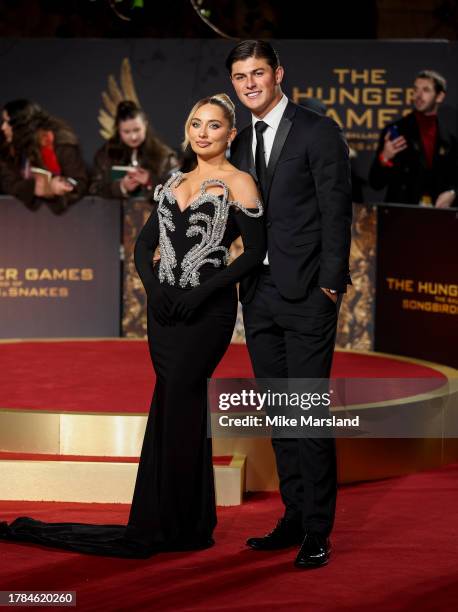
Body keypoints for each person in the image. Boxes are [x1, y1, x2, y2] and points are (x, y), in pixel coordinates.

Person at [0, 93, 265, 557]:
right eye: (196, 124)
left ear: (231, 134)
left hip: (208, 313)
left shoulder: (240, 182)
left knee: (181, 396)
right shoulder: (173, 180)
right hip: (163, 313)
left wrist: (200, 293)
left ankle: (177, 521)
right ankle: (181, 518)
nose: (203, 133)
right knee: (171, 405)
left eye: (214, 126)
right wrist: (156, 291)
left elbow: (254, 254)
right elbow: (146, 247)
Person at [227, 40, 352, 569]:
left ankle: (319, 530)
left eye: (258, 73)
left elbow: (336, 210)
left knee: (307, 412)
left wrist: (331, 284)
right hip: (258, 297)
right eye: (239, 76)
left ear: (278, 74)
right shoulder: (236, 142)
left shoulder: (318, 130)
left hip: (308, 295)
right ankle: (295, 515)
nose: (250, 83)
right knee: (280, 416)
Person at [369, 70, 457, 208]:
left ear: (439, 96)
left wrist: (453, 192)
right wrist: (384, 157)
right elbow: (375, 182)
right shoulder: (395, 131)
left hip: (437, 218)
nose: (418, 95)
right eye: (415, 89)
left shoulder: (450, 138)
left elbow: (454, 179)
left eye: (426, 90)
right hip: (400, 217)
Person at [0, 99, 87, 214]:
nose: (3, 127)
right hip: (18, 218)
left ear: (21, 125)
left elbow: (79, 182)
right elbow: (7, 181)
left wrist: (63, 186)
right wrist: (34, 187)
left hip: (64, 221)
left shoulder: (61, 143)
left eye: (7, 122)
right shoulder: (7, 146)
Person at [89, 100, 178, 199]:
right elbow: (94, 189)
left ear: (145, 125)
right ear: (118, 129)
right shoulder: (106, 153)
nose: (133, 137)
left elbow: (178, 191)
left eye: (137, 130)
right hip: (115, 212)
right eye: (126, 132)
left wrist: (150, 180)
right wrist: (121, 186)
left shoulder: (163, 155)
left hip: (154, 212)